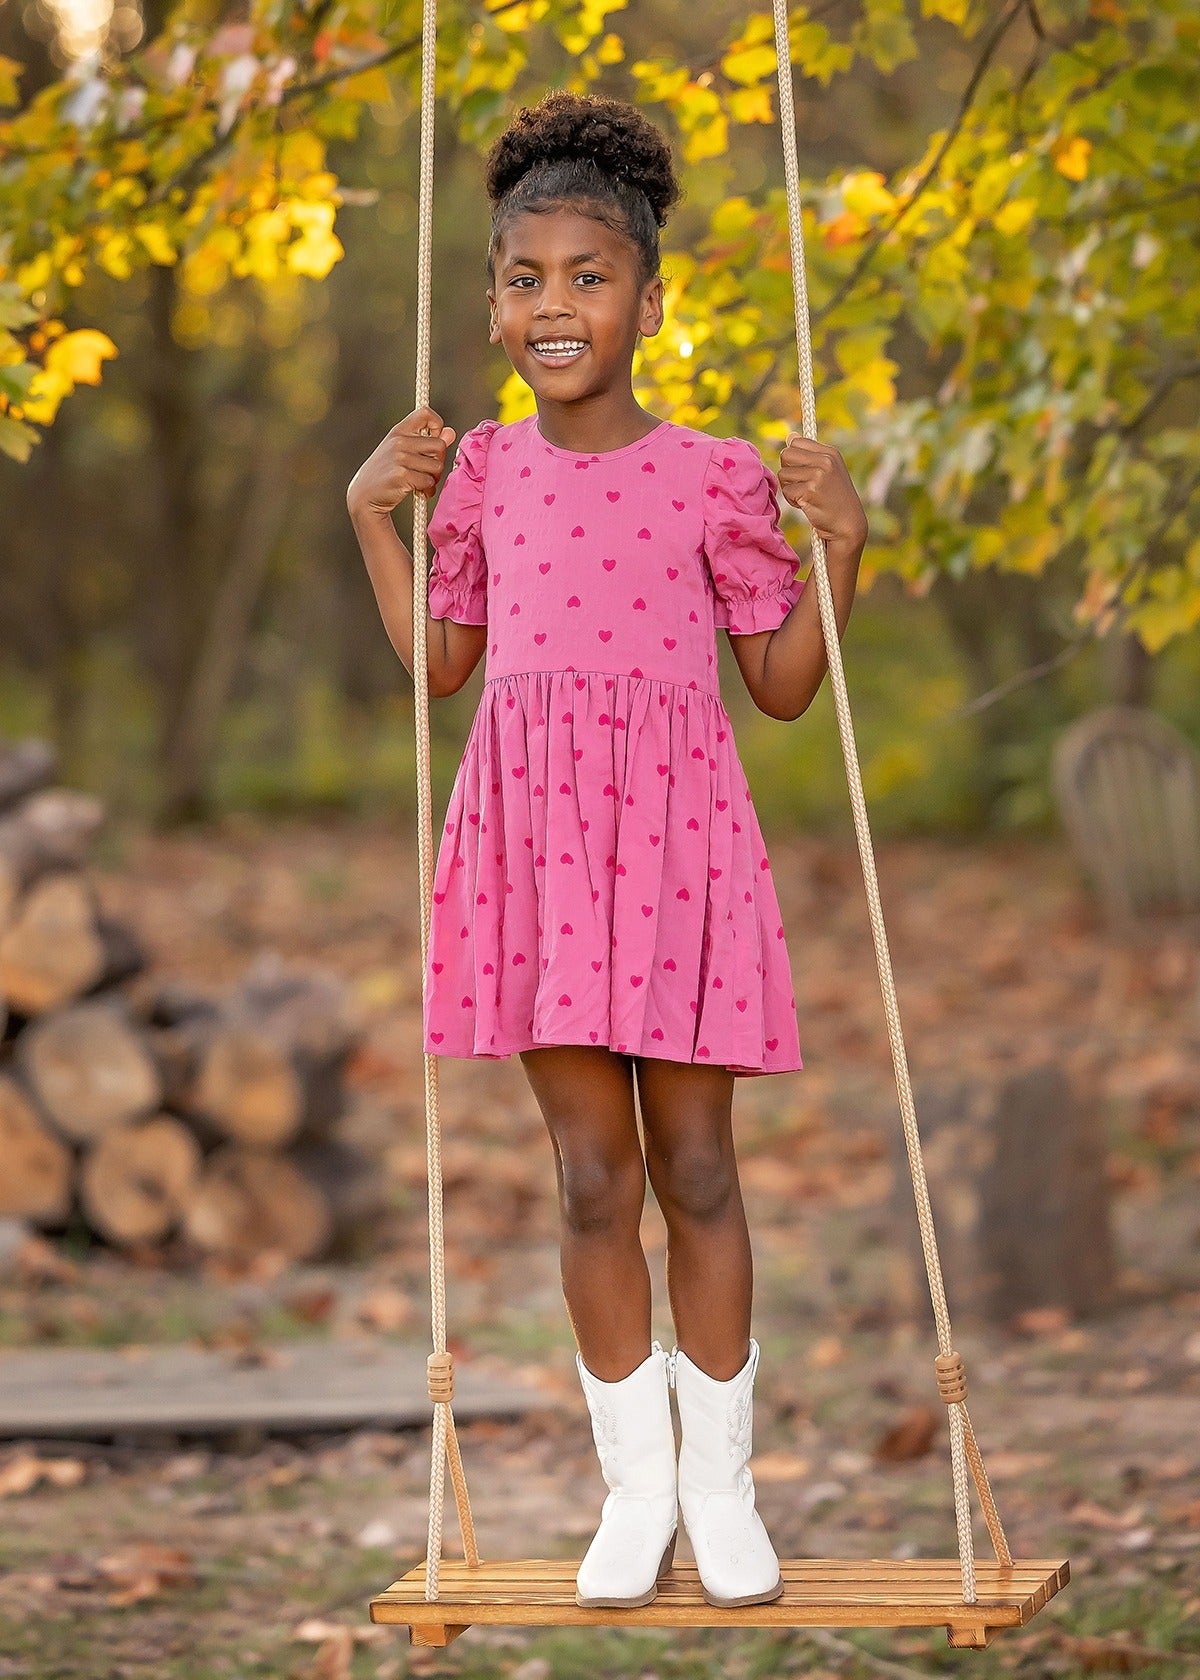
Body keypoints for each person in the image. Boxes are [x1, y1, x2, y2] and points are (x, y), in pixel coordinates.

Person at [347, 90, 867, 1613]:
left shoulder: (711, 474)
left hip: (676, 845)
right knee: (591, 1178)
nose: (554, 306)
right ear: (497, 303)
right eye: (526, 279)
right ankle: (635, 1494)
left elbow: (777, 690)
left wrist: (845, 545)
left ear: (649, 296)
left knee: (697, 1166)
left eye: (589, 276)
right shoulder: (486, 474)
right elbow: (439, 668)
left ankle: (724, 1488)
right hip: (536, 850)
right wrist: (374, 516)